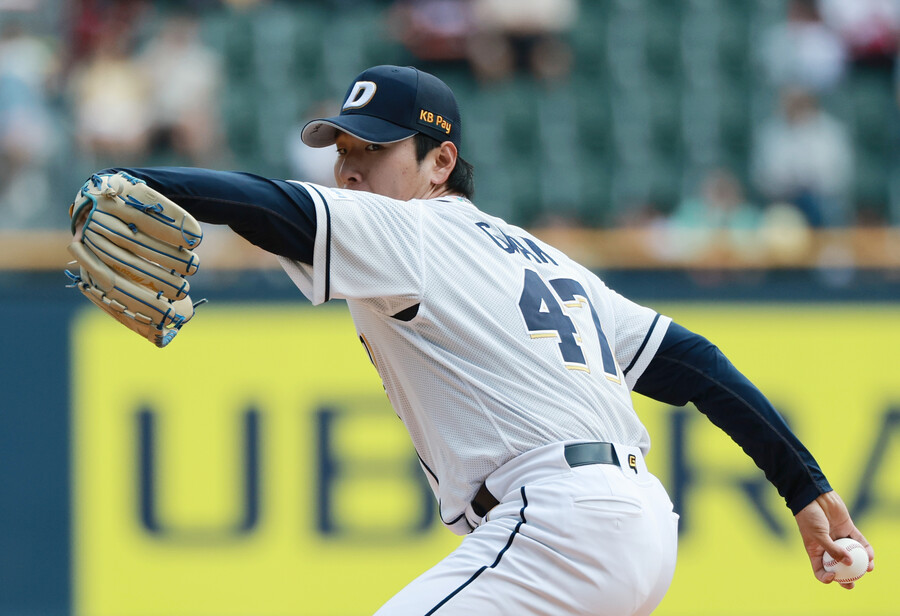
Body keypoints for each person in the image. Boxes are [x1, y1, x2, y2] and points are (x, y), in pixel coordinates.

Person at [77, 65, 873, 615]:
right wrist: (803, 486)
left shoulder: (411, 231)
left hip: (560, 527)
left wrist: (144, 183)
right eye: (343, 151)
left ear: (440, 162)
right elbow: (696, 364)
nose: (349, 171)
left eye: (372, 150)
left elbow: (268, 203)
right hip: (634, 526)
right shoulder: (538, 257)